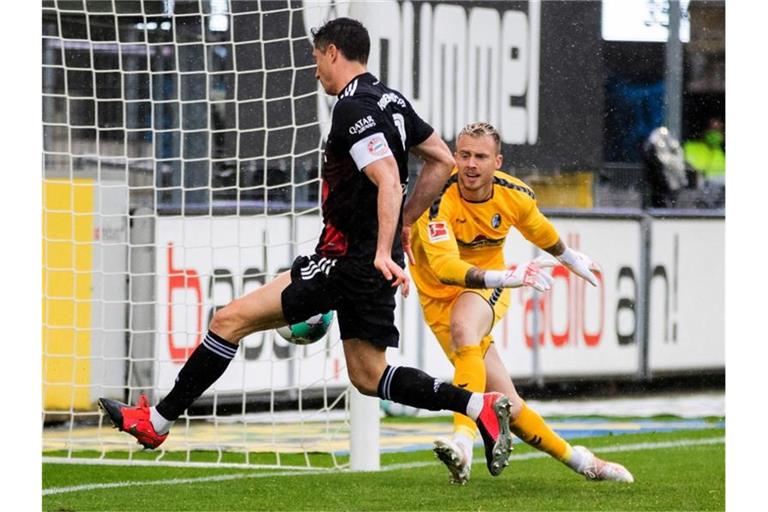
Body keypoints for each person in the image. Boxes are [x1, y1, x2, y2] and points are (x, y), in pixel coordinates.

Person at [99, 18, 516, 477]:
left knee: (228, 320)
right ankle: (480, 405)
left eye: (317, 58)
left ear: (333, 52)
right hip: (370, 262)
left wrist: (381, 247)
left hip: (343, 261)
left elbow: (389, 178)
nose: (315, 70)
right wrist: (404, 226)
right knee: (368, 376)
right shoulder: (392, 100)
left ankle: (155, 422)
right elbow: (440, 160)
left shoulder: (352, 106)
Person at [402, 122, 634, 485]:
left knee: (465, 329)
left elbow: (538, 228)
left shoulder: (513, 194)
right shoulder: (438, 197)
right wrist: (505, 276)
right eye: (464, 155)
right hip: (442, 295)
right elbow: (446, 268)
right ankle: (582, 461)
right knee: (508, 404)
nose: (470, 165)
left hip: (487, 288)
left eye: (480, 157)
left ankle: (463, 442)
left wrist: (569, 257)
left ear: (498, 161)